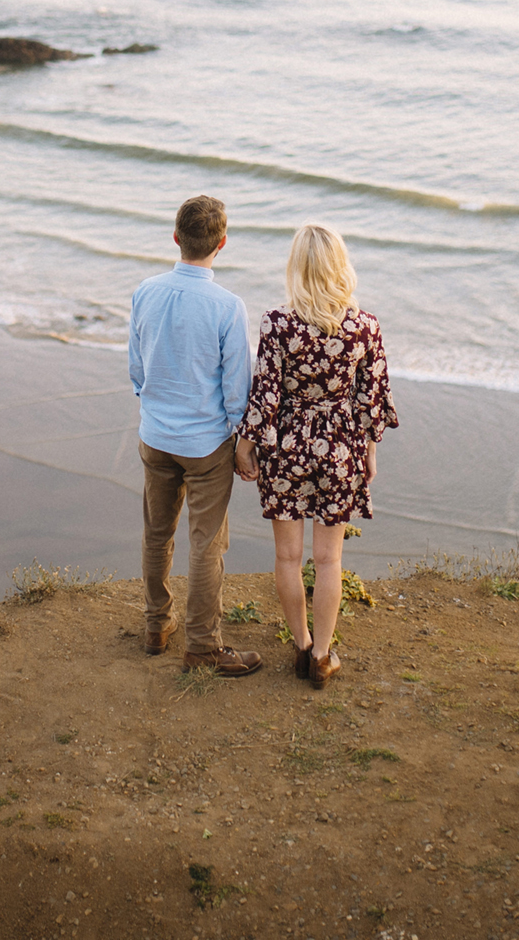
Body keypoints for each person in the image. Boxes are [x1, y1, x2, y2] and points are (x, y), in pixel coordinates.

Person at [243, 223, 397, 688]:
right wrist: (369, 452)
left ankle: (302, 645)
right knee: (329, 560)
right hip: (341, 448)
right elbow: (372, 401)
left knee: (287, 557)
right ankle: (324, 657)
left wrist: (245, 448)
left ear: (298, 268)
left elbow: (265, 395)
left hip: (287, 447)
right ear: (339, 267)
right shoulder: (364, 326)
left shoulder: (277, 323)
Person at [128, 194, 264, 676]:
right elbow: (236, 388)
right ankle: (203, 644)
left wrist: (158, 405)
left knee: (157, 532)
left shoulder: (146, 290)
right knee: (206, 543)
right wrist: (240, 443)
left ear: (175, 238)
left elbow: (138, 369)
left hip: (155, 435)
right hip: (206, 445)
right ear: (222, 244)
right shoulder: (227, 306)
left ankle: (154, 625)